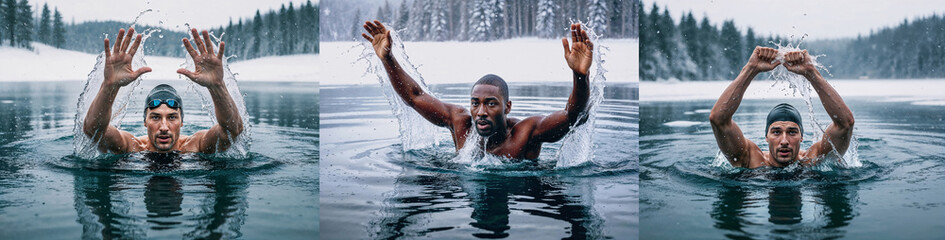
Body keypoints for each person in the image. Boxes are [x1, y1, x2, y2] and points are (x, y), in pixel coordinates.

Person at [361, 20, 593, 160]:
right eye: (475, 103)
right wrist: (388, 58)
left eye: (491, 103)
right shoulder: (460, 123)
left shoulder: (526, 134)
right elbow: (415, 97)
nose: (480, 111)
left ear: (507, 107)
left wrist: (580, 75)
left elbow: (574, 116)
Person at [82, 27, 244, 154]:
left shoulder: (195, 145)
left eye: (172, 117)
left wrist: (217, 86)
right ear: (145, 121)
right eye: (155, 117)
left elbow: (232, 130)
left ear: (182, 121)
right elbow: (93, 130)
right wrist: (110, 86)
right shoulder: (132, 146)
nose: (164, 127)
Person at [709, 46, 855, 168]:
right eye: (776, 132)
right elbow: (718, 119)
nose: (784, 141)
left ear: (802, 137)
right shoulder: (750, 159)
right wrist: (751, 69)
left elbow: (845, 124)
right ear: (766, 137)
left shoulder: (812, 159)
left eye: (792, 132)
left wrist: (811, 72)